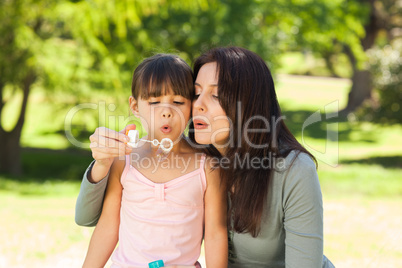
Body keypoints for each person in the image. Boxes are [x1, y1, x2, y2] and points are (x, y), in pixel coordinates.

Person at [76, 47, 335, 267]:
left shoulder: (291, 170)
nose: (198, 104)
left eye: (217, 95)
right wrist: (102, 162)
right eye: (196, 93)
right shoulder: (194, 159)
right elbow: (88, 218)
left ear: (250, 103)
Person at [81, 54, 228, 268]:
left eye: (178, 102)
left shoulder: (207, 167)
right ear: (135, 106)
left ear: (191, 108)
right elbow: (108, 226)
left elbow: (215, 233)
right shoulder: (124, 159)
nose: (166, 112)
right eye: (154, 102)